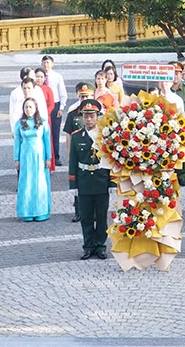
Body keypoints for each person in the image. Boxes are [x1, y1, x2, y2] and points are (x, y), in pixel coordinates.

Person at [69, 99, 114, 260]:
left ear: (97, 116)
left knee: (101, 216)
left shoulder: (105, 136)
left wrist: (112, 182)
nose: (89, 119)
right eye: (86, 116)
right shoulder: (76, 137)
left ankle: (101, 245)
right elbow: (73, 161)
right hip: (84, 180)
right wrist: (73, 184)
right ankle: (88, 246)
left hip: (101, 179)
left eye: (92, 116)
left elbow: (110, 159)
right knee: (86, 216)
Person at [14, 98, 52, 222]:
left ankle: (41, 210)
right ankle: (27, 211)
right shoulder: (19, 124)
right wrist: (16, 158)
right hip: (26, 156)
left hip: (39, 156)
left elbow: (47, 141)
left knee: (39, 182)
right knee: (27, 183)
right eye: (26, 107)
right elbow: (17, 142)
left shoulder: (43, 123)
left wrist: (48, 157)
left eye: (30, 107)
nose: (28, 109)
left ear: (35, 108)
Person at [63, 82, 96, 223]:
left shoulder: (99, 111)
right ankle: (79, 212)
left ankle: (94, 212)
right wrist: (69, 154)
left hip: (94, 154)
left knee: (94, 183)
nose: (85, 99)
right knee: (78, 181)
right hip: (78, 152)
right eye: (82, 97)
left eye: (87, 96)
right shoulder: (73, 112)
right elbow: (69, 135)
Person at [42, 55, 67, 167]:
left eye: (48, 62)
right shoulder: (40, 77)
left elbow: (62, 93)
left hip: (55, 106)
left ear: (52, 64)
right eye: (44, 62)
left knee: (55, 132)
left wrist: (61, 107)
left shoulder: (57, 76)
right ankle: (46, 155)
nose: (46, 65)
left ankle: (56, 157)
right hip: (42, 106)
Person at [35, 68, 56, 172]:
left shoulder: (48, 89)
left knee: (47, 139)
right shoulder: (32, 89)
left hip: (45, 118)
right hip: (33, 117)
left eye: (41, 77)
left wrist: (44, 113)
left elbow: (52, 105)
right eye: (37, 76)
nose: (39, 79)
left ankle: (49, 164)